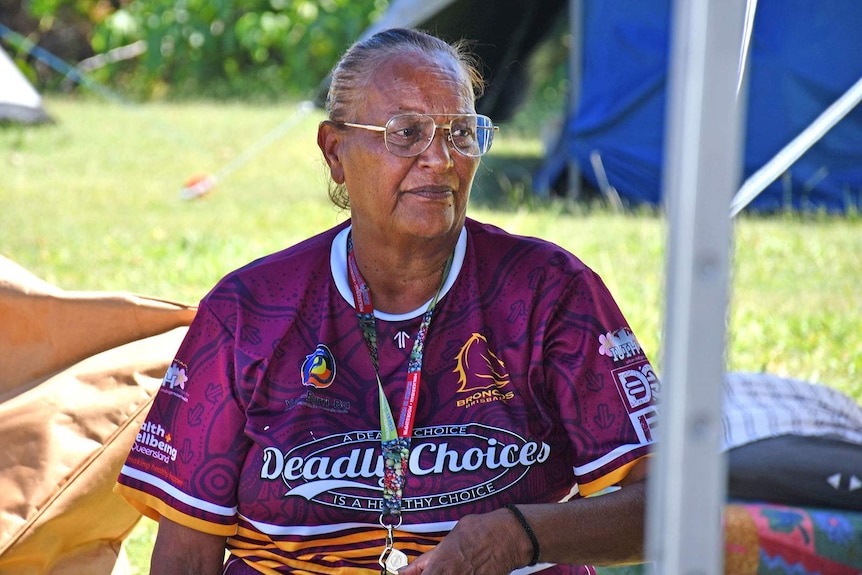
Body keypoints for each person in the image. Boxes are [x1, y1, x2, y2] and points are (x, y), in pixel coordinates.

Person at [115, 27, 657, 575]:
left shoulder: (548, 292)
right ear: (335, 152)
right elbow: (186, 553)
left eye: (462, 133)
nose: (441, 160)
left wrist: (520, 537)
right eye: (407, 133)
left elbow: (667, 504)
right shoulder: (248, 312)